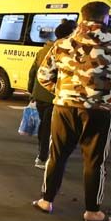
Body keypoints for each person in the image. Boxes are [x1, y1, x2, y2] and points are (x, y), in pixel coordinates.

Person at [34, 2, 111, 221]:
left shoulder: (62, 43)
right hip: (99, 111)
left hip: (64, 107)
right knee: (94, 161)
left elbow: (44, 75)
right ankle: (92, 211)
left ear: (81, 17)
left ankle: (46, 200)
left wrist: (61, 92)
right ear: (105, 18)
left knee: (57, 155)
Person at [27, 20, 77, 169]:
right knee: (49, 129)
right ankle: (43, 158)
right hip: (52, 96)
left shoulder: (44, 50)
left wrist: (32, 91)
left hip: (40, 95)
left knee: (44, 127)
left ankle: (42, 155)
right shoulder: (64, 51)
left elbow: (33, 73)